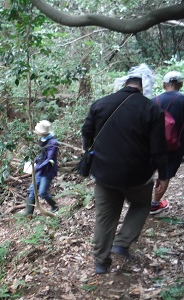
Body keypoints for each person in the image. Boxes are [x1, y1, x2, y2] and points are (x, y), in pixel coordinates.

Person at [81, 64, 168, 274]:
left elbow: (86, 132)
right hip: (137, 175)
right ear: (145, 85)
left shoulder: (100, 104)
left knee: (105, 217)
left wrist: (91, 153)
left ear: (125, 81)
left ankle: (101, 263)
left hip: (104, 174)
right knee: (140, 205)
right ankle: (122, 242)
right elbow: (158, 148)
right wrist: (164, 176)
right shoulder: (151, 109)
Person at [150, 71, 184, 215]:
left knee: (149, 172)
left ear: (164, 85)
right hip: (176, 146)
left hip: (153, 146)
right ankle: (155, 204)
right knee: (166, 175)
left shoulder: (153, 101)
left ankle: (141, 202)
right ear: (181, 84)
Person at [25, 120, 59, 215]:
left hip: (48, 170)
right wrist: (33, 161)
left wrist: (37, 168)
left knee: (43, 192)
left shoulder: (53, 143)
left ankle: (54, 206)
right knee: (32, 189)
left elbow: (49, 159)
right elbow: (41, 154)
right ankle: (28, 213)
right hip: (40, 168)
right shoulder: (42, 139)